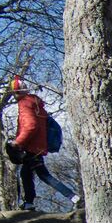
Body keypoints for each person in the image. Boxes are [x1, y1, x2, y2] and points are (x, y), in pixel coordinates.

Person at [6, 77, 78, 211]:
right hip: (38, 146)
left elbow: (30, 126)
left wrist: (17, 142)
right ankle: (29, 203)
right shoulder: (35, 104)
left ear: (17, 92)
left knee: (43, 175)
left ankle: (73, 197)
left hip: (32, 148)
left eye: (14, 93)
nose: (14, 96)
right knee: (29, 174)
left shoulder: (25, 104)